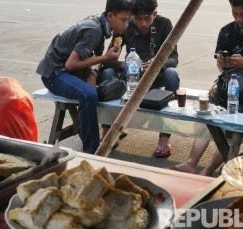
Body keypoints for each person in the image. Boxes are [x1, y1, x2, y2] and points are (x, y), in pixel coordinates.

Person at [172, 0, 243, 175]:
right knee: (206, 114)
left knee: (235, 126)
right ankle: (191, 163)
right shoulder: (226, 31)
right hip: (228, 85)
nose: (239, 19)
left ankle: (209, 169)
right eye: (235, 14)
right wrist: (221, 63)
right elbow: (222, 69)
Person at [36, 0, 133, 154]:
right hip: (54, 73)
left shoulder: (101, 25)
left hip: (72, 72)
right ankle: (92, 151)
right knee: (88, 94)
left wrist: (92, 74)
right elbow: (70, 64)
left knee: (102, 90)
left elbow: (90, 58)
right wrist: (106, 58)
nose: (127, 25)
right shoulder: (94, 30)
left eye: (129, 20)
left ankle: (90, 129)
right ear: (110, 16)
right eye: (123, 20)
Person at [100, 0, 180, 158]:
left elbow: (174, 59)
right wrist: (125, 65)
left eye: (147, 19)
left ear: (154, 15)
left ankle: (164, 137)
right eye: (138, 19)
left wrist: (158, 62)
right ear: (131, 17)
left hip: (156, 76)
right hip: (131, 76)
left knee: (171, 74)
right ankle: (107, 129)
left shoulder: (164, 24)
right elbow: (108, 59)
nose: (143, 24)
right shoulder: (125, 25)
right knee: (107, 73)